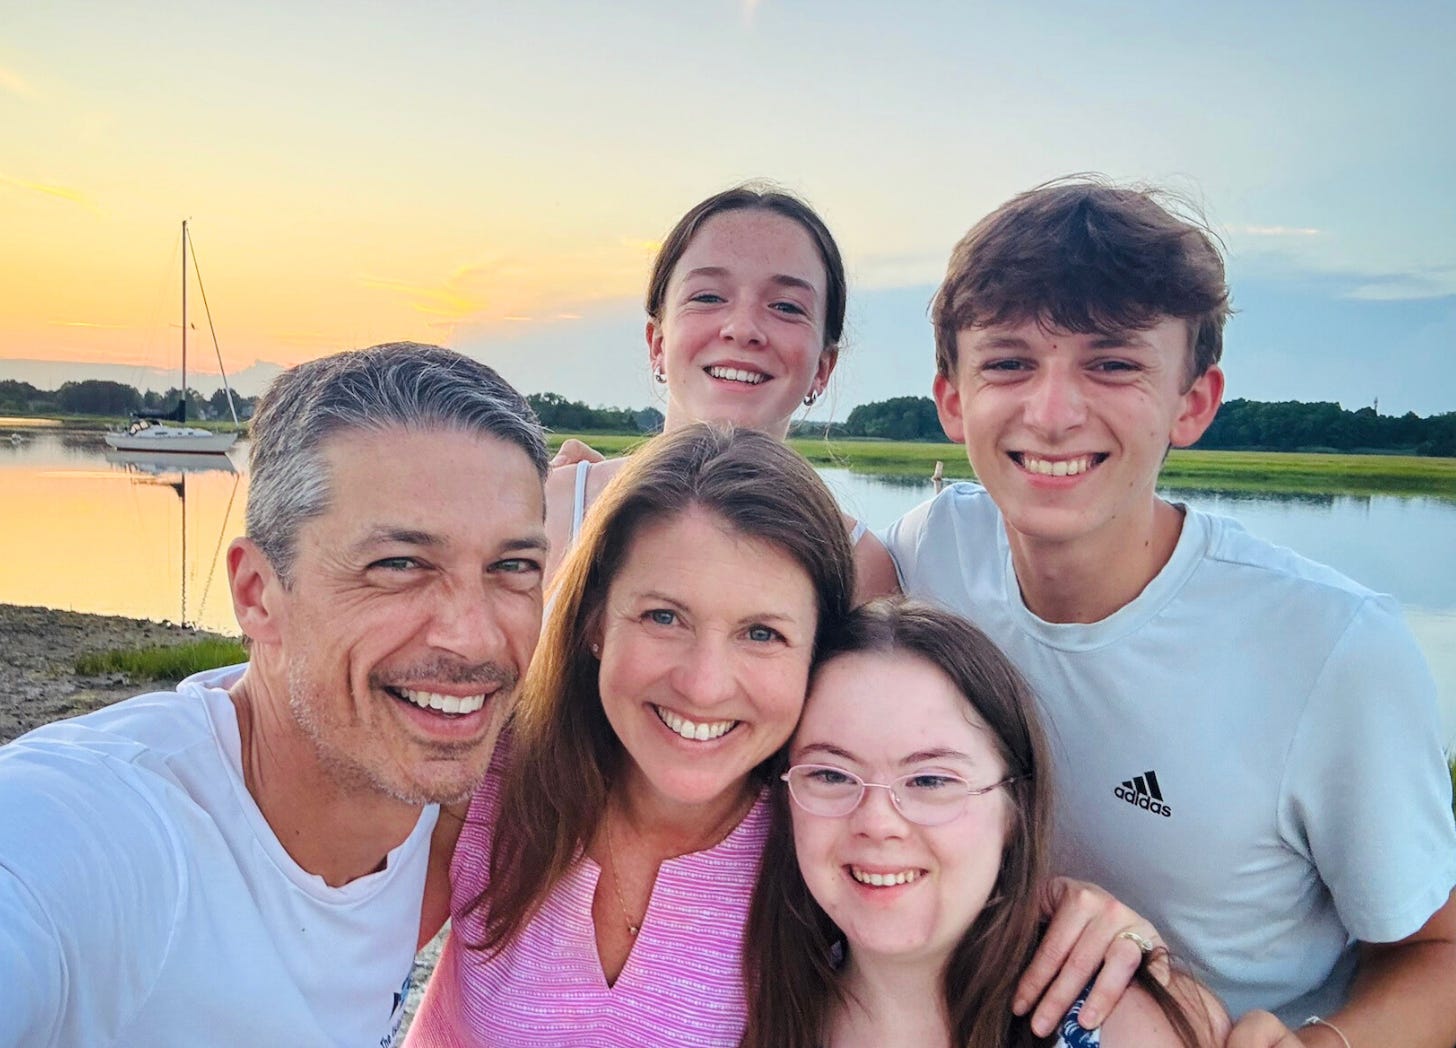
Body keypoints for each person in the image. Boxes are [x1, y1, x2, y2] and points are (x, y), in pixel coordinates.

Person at [874, 178, 1456, 1045]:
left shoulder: (1330, 647)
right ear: (953, 398)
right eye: (1008, 362)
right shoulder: (931, 555)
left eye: (1112, 363)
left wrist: (1322, 1044)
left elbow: (1436, 949)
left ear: (1193, 401)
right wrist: (596, 485)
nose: (1054, 411)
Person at [0, 343, 550, 1047]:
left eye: (512, 566)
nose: (474, 638)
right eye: (400, 564)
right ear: (257, 595)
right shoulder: (109, 832)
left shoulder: (441, 809)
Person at [406, 423, 856, 1046]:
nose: (703, 685)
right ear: (594, 621)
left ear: (818, 656)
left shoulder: (837, 851)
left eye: (761, 634)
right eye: (663, 617)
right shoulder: (486, 772)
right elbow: (325, 948)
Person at [744, 598, 1226, 1048]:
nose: (877, 821)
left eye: (931, 780)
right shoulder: (750, 1007)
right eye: (831, 774)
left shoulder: (1126, 1026)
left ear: (1015, 807)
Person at [543, 183, 899, 600]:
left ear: (823, 367)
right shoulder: (547, 507)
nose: (743, 329)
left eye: (786, 306)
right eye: (708, 297)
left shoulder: (860, 567)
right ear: (657, 343)